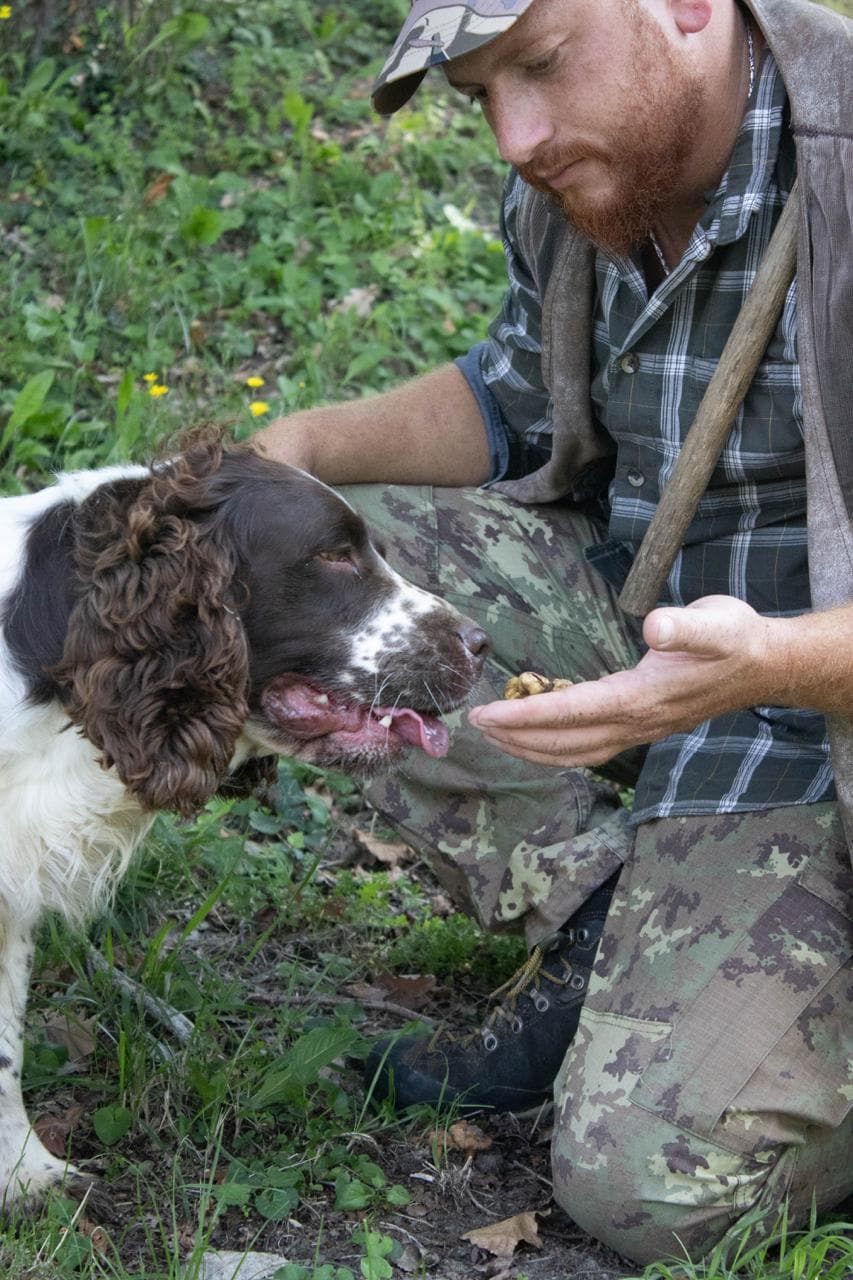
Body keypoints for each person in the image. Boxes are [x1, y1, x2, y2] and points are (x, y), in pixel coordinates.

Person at [253, 0, 853, 1264]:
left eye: (537, 65)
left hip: (820, 708)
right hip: (651, 619)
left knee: (650, 1187)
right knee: (308, 572)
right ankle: (604, 911)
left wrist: (774, 663)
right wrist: (295, 449)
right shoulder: (587, 172)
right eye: (479, 95)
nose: (515, 134)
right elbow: (518, 393)